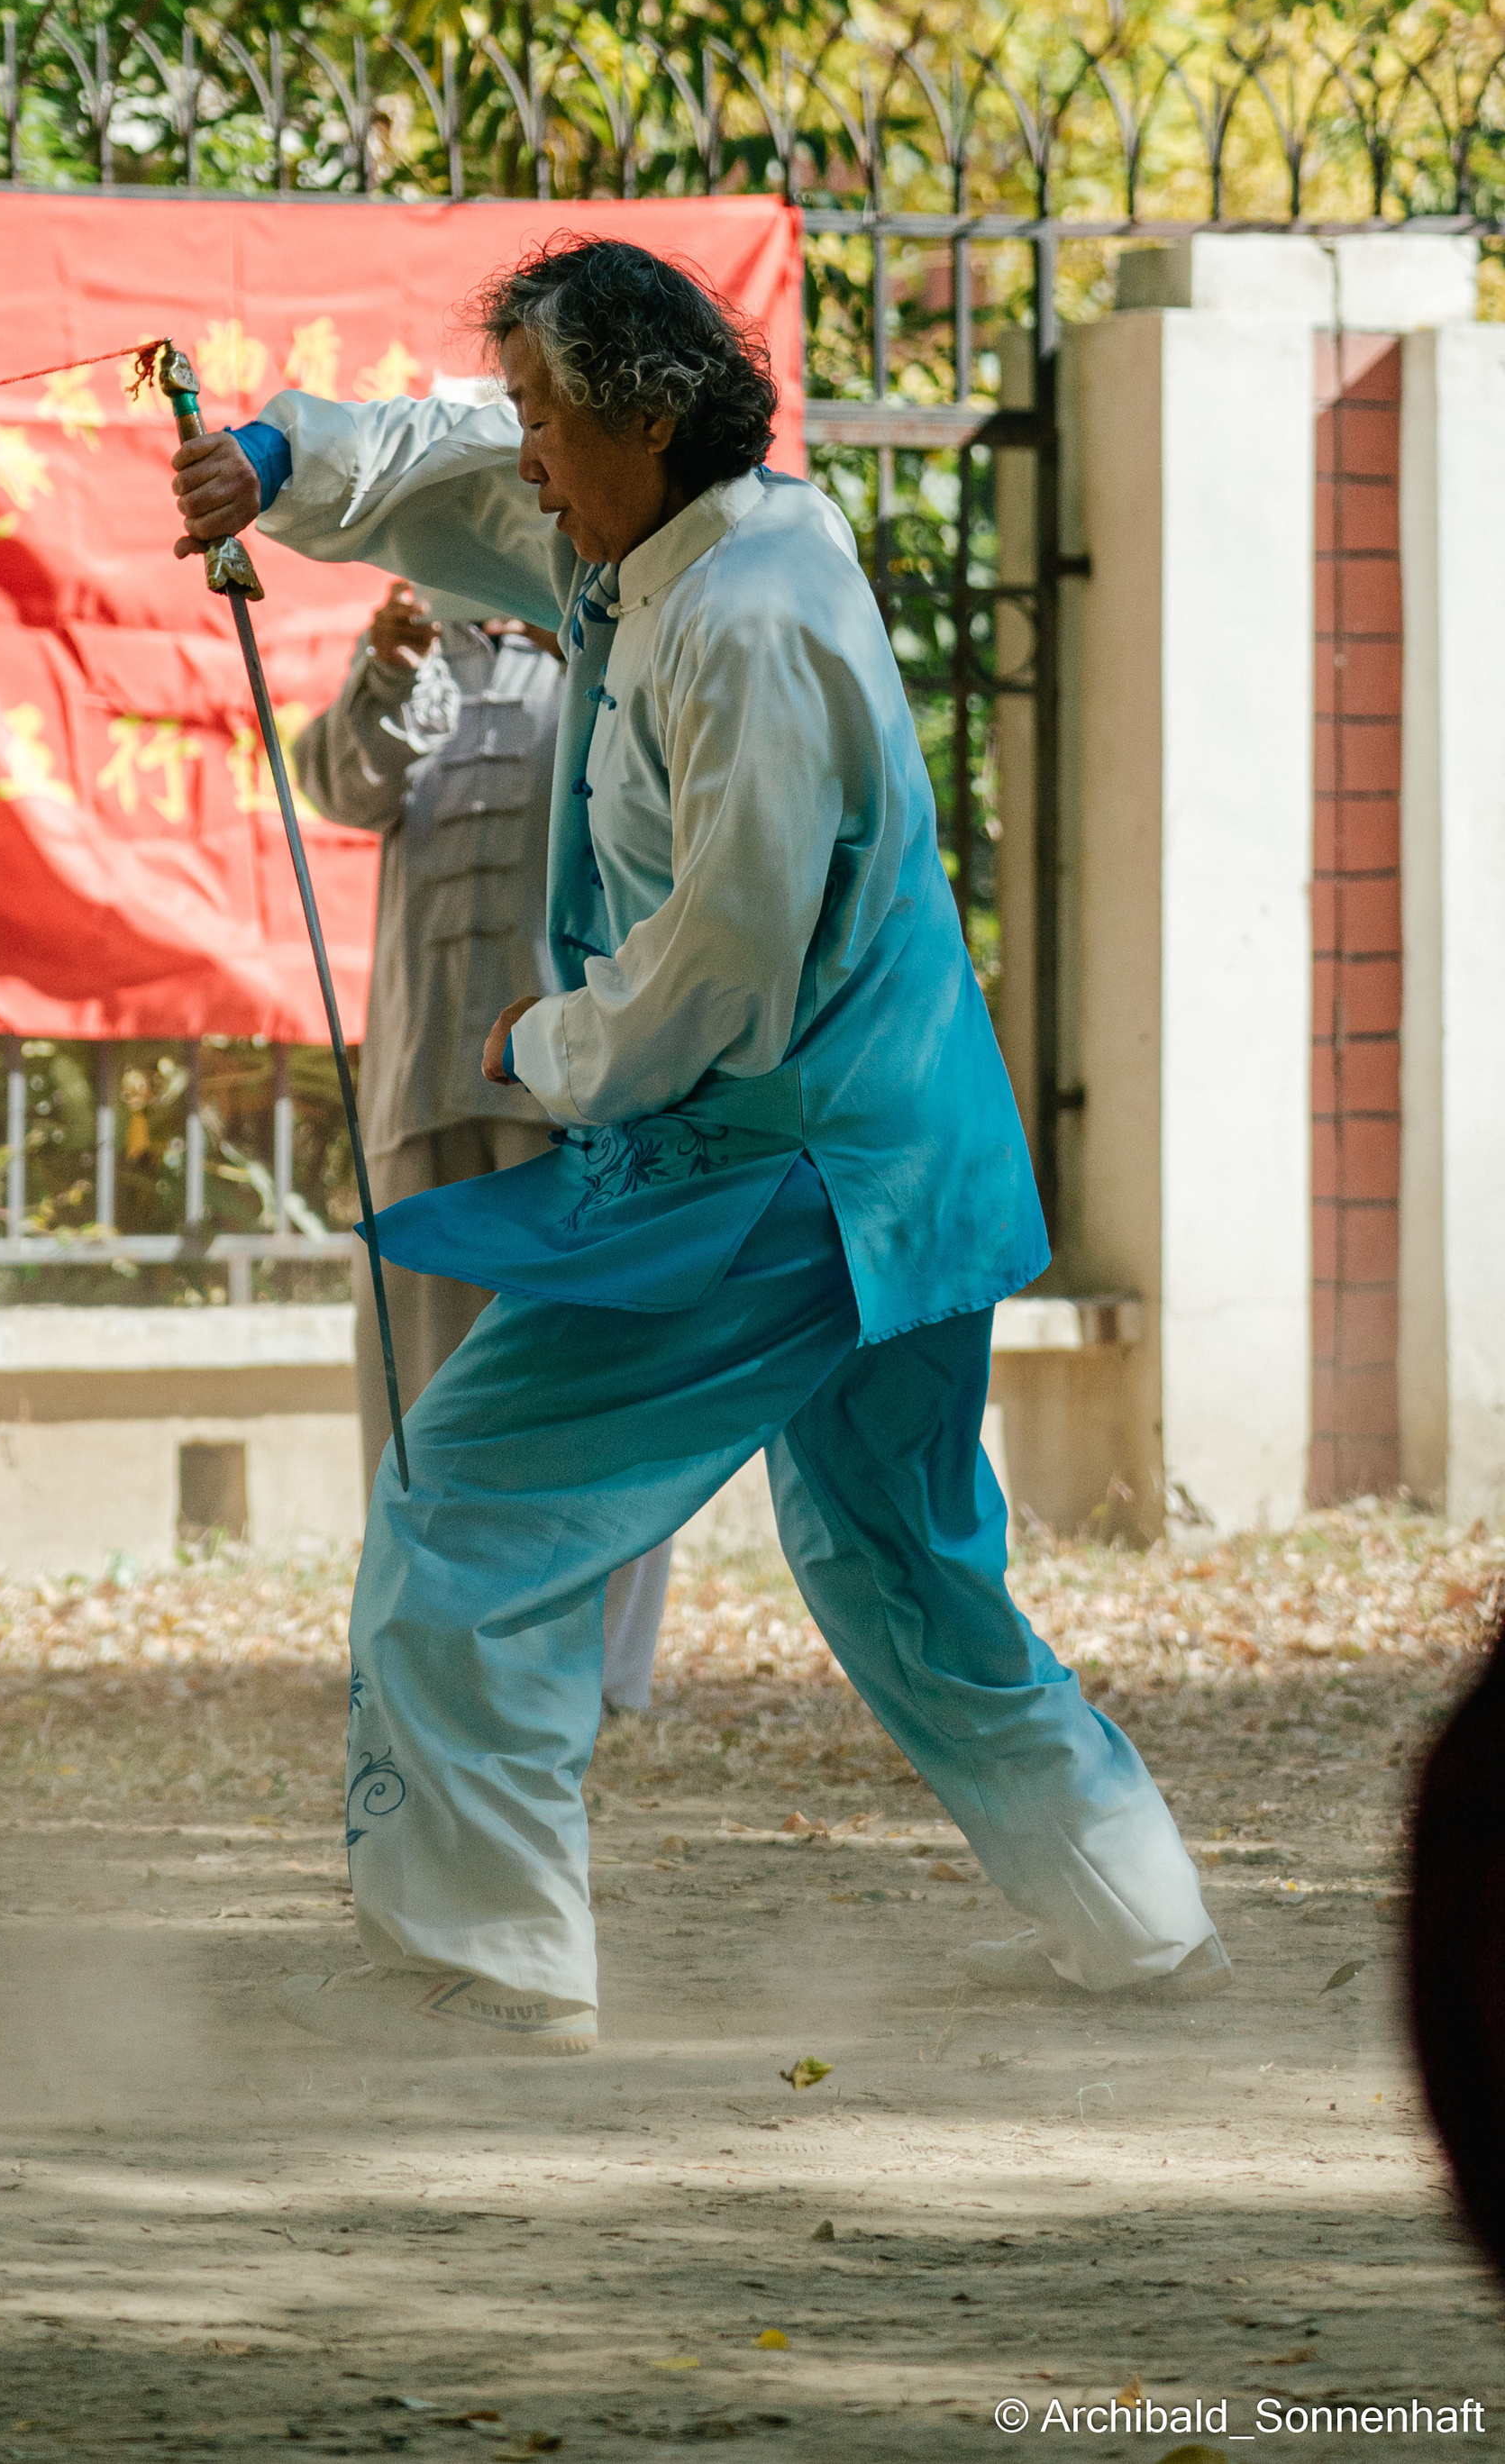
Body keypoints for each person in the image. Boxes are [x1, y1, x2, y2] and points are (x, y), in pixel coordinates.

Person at [173, 234, 1227, 2058]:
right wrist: (281, 463)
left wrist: (545, 1041)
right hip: (887, 1160)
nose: (519, 457)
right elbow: (439, 452)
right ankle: (1141, 1922)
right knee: (900, 1563)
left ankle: (485, 1959)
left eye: (545, 418)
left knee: (470, 1497)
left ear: (644, 417)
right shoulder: (667, 541)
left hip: (781, 1169)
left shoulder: (746, 621)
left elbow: (722, 973)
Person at [295, 578, 673, 1711]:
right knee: (422, 1384)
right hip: (423, 1082)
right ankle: (432, 1636)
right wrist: (392, 667)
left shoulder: (612, 644)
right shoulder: (422, 657)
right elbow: (337, 780)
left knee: (589, 1376)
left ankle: (589, 1666)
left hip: (570, 1092)